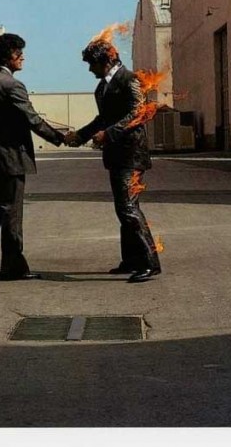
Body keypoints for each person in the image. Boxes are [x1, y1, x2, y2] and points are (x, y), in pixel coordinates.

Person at [0, 33, 65, 280]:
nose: (23, 57)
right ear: (6, 57)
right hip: (10, 159)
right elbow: (32, 119)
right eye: (18, 53)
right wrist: (61, 137)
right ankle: (13, 267)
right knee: (11, 212)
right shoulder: (12, 85)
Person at [65, 40, 162, 283]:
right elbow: (102, 118)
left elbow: (138, 114)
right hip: (116, 156)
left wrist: (108, 134)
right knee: (124, 209)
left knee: (128, 208)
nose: (90, 69)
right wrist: (80, 136)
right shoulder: (102, 88)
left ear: (107, 61)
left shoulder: (130, 80)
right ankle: (130, 260)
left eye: (92, 64)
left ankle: (149, 262)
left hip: (131, 155)